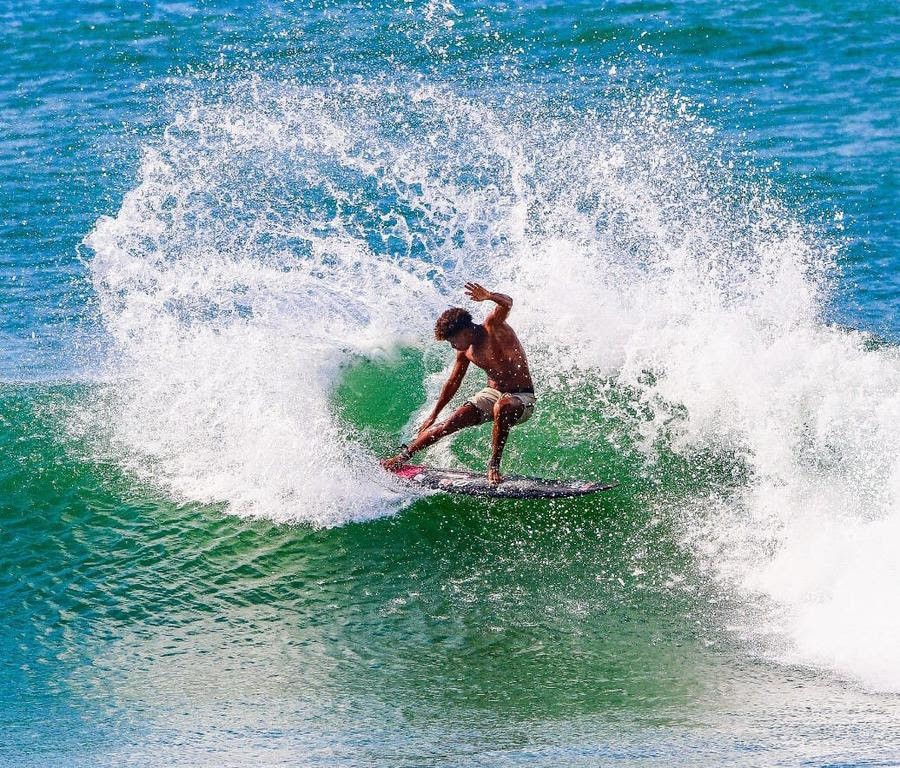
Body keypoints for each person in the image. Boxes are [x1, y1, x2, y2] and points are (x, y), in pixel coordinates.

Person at [381, 282, 536, 484]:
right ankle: (401, 458)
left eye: (453, 340)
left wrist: (489, 296)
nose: (453, 345)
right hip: (492, 393)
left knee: (503, 406)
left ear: (465, 331)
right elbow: (453, 382)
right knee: (446, 425)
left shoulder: (493, 327)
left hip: (521, 397)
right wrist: (433, 415)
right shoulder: (465, 351)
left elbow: (507, 303)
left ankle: (494, 465)